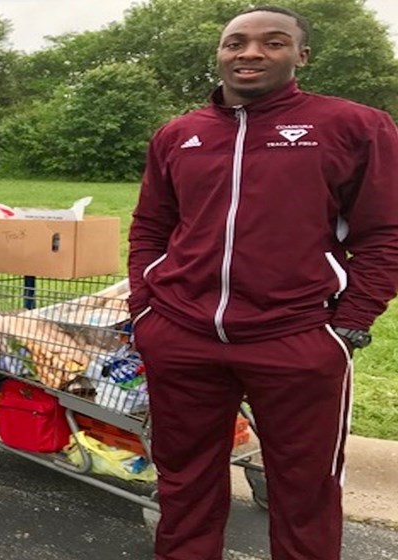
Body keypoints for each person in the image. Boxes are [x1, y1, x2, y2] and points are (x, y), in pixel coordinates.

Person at [128, 6, 398, 560]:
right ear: (221, 53)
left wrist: (349, 322)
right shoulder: (179, 134)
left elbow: (385, 230)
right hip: (181, 335)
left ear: (301, 56)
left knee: (304, 490)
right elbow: (152, 226)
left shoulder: (353, 126)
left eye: (272, 42)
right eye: (235, 42)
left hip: (295, 335)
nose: (249, 52)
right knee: (183, 482)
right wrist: (145, 310)